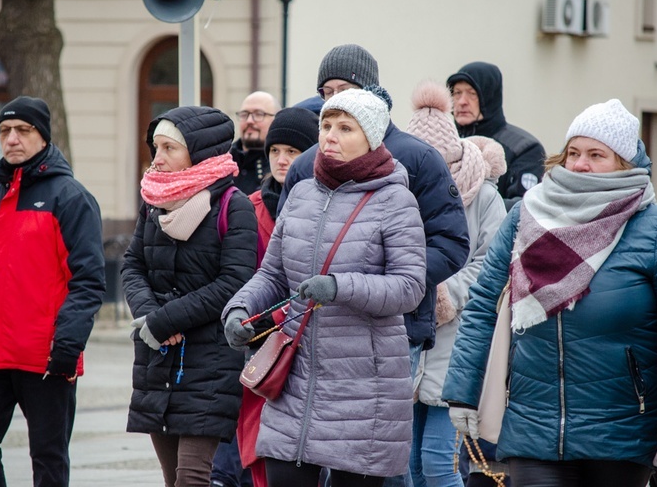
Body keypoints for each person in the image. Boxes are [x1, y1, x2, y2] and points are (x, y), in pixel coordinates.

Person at [442, 99, 657, 487]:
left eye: (596, 154)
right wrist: (462, 392)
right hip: (533, 429)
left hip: (622, 435)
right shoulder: (527, 215)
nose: (580, 164)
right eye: (573, 152)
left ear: (624, 162)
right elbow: (484, 302)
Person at [279, 44, 469, 487]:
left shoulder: (417, 157)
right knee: (308, 451)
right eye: (326, 92)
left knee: (378, 461)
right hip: (312, 331)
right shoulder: (307, 164)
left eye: (343, 89)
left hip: (393, 330)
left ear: (372, 92)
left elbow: (452, 242)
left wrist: (387, 282)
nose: (333, 99)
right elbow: (284, 249)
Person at [222, 86, 428, 486]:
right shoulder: (300, 194)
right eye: (326, 125)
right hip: (295, 381)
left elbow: (408, 287)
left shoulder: (396, 200)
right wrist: (239, 309)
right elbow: (272, 275)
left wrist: (339, 287)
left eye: (345, 128)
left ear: (371, 139)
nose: (330, 135)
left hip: (364, 391)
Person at [0, 95, 105, 486]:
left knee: (47, 456)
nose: (12, 139)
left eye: (23, 130)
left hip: (45, 358)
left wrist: (68, 344)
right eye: (4, 131)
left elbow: (89, 280)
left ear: (43, 136)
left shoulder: (71, 198)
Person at [122, 106, 259, 487]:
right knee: (173, 480)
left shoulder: (235, 206)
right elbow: (132, 265)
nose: (158, 159)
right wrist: (150, 317)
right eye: (156, 148)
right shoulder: (153, 201)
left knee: (193, 478)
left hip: (209, 364)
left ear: (198, 152)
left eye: (169, 148)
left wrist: (167, 320)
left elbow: (234, 283)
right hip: (157, 357)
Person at [405, 80, 507, 487]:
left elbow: (494, 263)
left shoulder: (485, 198)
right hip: (410, 339)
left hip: (460, 342)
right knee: (408, 467)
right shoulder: (401, 191)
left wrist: (444, 294)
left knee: (438, 465)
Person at [211, 107, 319, 487]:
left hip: (314, 343)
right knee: (258, 451)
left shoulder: (326, 206)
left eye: (292, 151)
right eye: (275, 151)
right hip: (259, 347)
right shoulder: (250, 205)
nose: (282, 159)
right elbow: (248, 276)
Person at [447, 61, 545, 210]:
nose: (462, 102)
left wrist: (468, 210)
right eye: (457, 93)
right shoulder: (446, 145)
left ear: (489, 98)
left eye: (472, 94)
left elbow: (524, 207)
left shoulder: (525, 148)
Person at [232, 91, 282, 194]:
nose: (249, 120)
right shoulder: (224, 163)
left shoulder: (281, 165)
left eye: (259, 114)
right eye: (244, 114)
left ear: (276, 120)